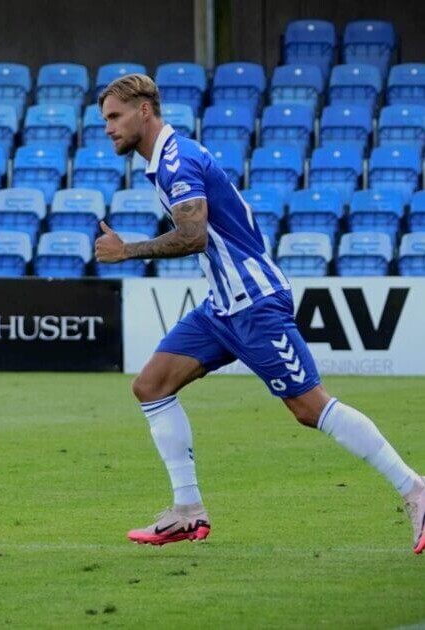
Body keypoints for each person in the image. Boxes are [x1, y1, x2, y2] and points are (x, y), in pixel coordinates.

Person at [94, 73, 425, 553]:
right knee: (151, 385)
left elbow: (194, 236)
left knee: (311, 409)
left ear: (144, 111)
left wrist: (127, 252)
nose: (108, 128)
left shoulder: (176, 160)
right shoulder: (167, 160)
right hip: (223, 308)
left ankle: (414, 488)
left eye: (114, 116)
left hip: (254, 303)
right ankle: (188, 510)